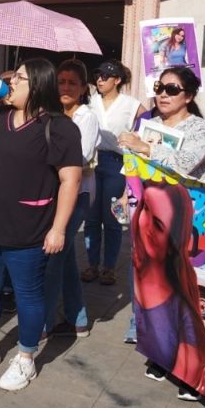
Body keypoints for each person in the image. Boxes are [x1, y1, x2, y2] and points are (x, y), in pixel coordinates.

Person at [0, 58, 82, 391]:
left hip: (29, 227)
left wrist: (59, 229)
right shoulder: (0, 116)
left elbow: (70, 181)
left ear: (38, 84)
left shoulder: (60, 127)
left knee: (27, 294)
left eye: (19, 78)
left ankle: (25, 358)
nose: (9, 83)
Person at [132, 182, 205, 401]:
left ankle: (184, 380)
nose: (146, 225)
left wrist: (147, 149)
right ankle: (159, 361)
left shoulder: (181, 305)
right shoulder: (141, 267)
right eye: (146, 209)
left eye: (159, 225)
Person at [44, 59, 98, 338]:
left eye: (72, 83)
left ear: (83, 88)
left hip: (78, 194)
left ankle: (45, 321)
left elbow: (82, 158)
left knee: (54, 259)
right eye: (61, 82)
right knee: (65, 259)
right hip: (54, 193)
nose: (65, 87)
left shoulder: (85, 117)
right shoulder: (51, 113)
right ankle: (79, 319)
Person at [83, 60, 144, 285]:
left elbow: (149, 122)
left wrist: (136, 139)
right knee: (90, 217)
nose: (99, 79)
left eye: (105, 76)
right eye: (97, 75)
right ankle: (91, 264)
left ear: (117, 80)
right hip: (91, 161)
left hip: (116, 163)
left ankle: (109, 267)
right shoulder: (90, 100)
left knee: (112, 217)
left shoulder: (130, 103)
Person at [119, 67, 205, 179]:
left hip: (187, 195)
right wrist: (129, 144)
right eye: (159, 88)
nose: (163, 94)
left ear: (188, 96)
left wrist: (146, 148)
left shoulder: (201, 128)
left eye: (172, 89)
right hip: (148, 193)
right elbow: (134, 168)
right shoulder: (150, 124)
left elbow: (185, 164)